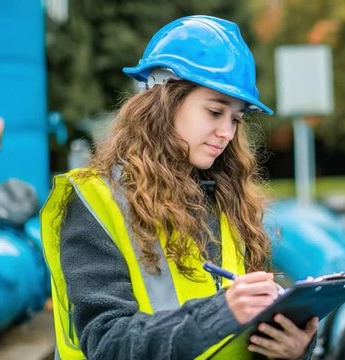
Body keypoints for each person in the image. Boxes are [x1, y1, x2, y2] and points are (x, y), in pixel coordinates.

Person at [41, 15, 318, 360]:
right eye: (215, 112)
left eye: (235, 119)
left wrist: (293, 349)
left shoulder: (226, 199)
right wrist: (220, 313)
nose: (227, 133)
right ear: (163, 103)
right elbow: (106, 342)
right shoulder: (95, 201)